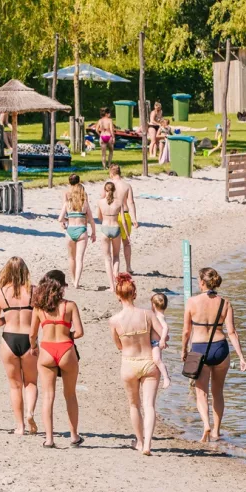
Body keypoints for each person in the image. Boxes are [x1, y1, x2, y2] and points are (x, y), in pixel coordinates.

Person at [181, 267, 246, 443]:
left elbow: (186, 331)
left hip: (199, 349)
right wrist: (241, 357)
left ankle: (206, 425)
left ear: (202, 282)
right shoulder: (225, 303)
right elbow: (232, 332)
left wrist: (184, 351)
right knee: (218, 392)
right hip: (220, 349)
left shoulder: (192, 302)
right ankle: (216, 432)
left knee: (201, 392)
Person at [29, 270, 85, 448]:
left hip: (46, 349)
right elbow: (80, 332)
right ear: (61, 286)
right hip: (66, 348)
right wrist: (67, 333)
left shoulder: (38, 308)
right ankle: (74, 436)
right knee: (70, 395)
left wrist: (34, 347)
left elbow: (32, 334)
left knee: (48, 396)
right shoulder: (70, 306)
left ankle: (49, 439)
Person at [109, 273, 162, 455]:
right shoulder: (147, 314)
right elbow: (163, 335)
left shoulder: (114, 320)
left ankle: (139, 442)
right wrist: (154, 340)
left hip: (129, 363)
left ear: (118, 295)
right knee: (149, 405)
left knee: (134, 405)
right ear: (134, 294)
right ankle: (147, 444)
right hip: (149, 362)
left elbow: (118, 345)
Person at [0, 257, 38, 435]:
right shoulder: (34, 291)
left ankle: (20, 426)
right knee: (31, 382)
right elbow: (40, 315)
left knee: (14, 385)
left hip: (9, 338)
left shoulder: (1, 293)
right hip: (29, 338)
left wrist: (7, 318)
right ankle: (30, 413)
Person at [58, 174, 95, 289]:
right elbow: (91, 220)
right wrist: (93, 232)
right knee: (79, 259)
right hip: (81, 230)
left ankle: (73, 278)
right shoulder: (84, 202)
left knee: (71, 258)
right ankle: (76, 282)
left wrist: (65, 220)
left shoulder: (67, 202)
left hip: (70, 230)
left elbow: (60, 218)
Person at [96, 181, 125, 293]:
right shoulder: (119, 202)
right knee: (116, 256)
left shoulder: (100, 202)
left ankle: (111, 286)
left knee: (107, 258)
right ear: (114, 190)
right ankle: (116, 280)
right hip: (116, 228)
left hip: (105, 228)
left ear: (105, 190)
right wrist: (126, 234)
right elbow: (122, 219)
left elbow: (99, 217)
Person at [149, 293, 172, 389]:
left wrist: (162, 340)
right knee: (155, 360)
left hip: (156, 343)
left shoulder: (159, 317)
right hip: (155, 342)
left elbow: (165, 328)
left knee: (157, 360)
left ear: (153, 305)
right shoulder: (159, 316)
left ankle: (166, 377)